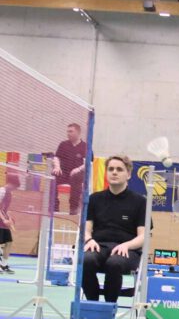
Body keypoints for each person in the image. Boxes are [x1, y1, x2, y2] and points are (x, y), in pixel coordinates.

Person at [81, 155, 147, 302]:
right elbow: (85, 229)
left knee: (114, 263)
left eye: (119, 169)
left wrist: (127, 245)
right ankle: (93, 305)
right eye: (110, 169)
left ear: (128, 174)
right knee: (86, 260)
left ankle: (109, 307)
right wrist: (89, 240)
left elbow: (143, 236)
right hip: (99, 246)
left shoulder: (140, 202)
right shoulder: (94, 199)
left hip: (127, 250)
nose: (114, 172)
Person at [52, 122, 88, 215]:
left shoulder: (85, 147)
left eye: (71, 131)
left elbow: (88, 163)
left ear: (78, 132)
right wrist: (57, 167)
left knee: (77, 178)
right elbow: (56, 157)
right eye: (67, 131)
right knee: (53, 177)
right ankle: (54, 207)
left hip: (76, 176)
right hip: (63, 173)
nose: (68, 133)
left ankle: (73, 209)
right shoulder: (63, 144)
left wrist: (78, 170)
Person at [0, 171, 18, 274]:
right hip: (1, 220)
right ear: (10, 183)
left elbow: (5, 209)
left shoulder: (10, 193)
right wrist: (4, 219)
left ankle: (3, 265)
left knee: (9, 242)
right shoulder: (1, 191)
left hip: (3, 221)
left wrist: (9, 218)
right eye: (15, 186)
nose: (15, 188)